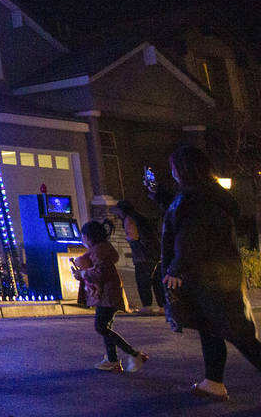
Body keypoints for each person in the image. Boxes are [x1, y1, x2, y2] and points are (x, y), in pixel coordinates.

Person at [162, 144, 261, 401]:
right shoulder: (208, 195)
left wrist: (177, 267)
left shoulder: (196, 198)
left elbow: (192, 235)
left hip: (210, 278)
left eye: (174, 167)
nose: (171, 172)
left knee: (239, 334)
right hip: (218, 274)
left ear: (183, 169)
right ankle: (213, 382)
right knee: (212, 328)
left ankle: (213, 382)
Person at [73, 219, 147, 373]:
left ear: (89, 237)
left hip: (107, 294)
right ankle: (112, 361)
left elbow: (101, 272)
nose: (82, 240)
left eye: (83, 236)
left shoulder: (99, 251)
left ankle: (134, 354)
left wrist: (83, 273)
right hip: (108, 293)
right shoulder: (102, 249)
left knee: (101, 327)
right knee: (106, 327)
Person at [108, 199, 165, 313]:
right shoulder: (141, 218)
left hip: (143, 256)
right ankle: (163, 307)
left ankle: (147, 307)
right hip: (155, 255)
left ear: (122, 211)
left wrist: (129, 239)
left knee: (143, 282)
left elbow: (133, 236)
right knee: (157, 282)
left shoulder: (129, 219)